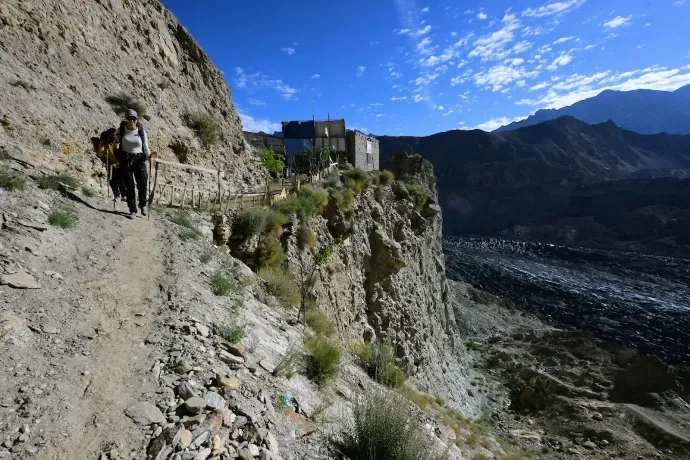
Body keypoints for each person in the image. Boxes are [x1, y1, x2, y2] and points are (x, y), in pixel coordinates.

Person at [115, 109, 151, 219]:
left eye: (134, 119)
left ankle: (143, 204)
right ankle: (132, 210)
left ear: (136, 120)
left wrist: (149, 156)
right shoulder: (121, 130)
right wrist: (115, 147)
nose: (132, 121)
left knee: (143, 182)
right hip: (126, 159)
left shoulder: (141, 131)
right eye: (130, 119)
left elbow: (145, 146)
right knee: (129, 185)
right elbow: (116, 142)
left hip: (139, 158)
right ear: (126, 120)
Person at [94, 127, 125, 202]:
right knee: (112, 180)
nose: (114, 135)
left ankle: (124, 195)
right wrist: (104, 152)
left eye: (115, 134)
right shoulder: (104, 142)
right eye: (112, 134)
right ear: (108, 134)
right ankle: (117, 195)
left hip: (120, 163)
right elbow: (100, 153)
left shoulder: (119, 141)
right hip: (110, 164)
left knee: (121, 180)